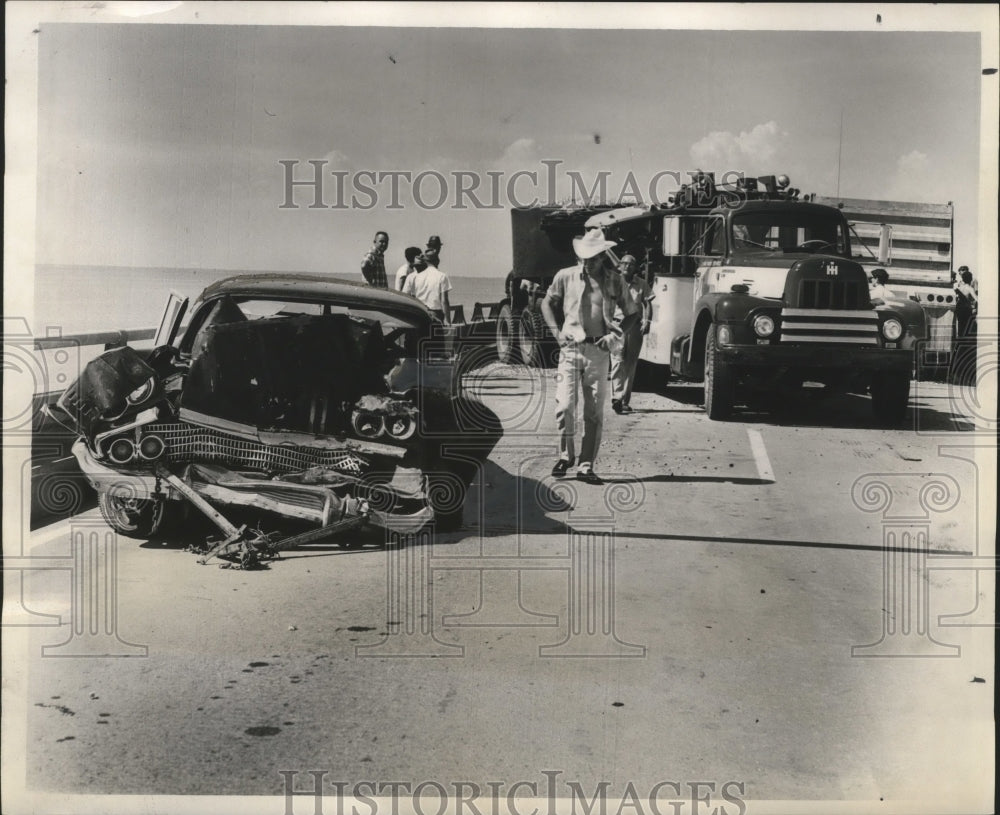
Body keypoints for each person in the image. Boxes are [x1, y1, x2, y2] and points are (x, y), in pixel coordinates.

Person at [541, 229, 638, 484]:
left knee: (593, 412)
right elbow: (546, 303)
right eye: (584, 256)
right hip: (570, 350)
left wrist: (615, 337)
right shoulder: (565, 276)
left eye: (593, 257)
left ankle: (586, 465)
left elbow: (632, 313)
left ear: (603, 256)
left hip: (599, 351)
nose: (588, 261)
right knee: (564, 406)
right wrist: (555, 333)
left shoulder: (615, 280)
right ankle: (565, 456)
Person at [610, 254, 653, 414]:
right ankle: (617, 397)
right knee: (617, 361)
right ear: (619, 266)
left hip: (635, 328)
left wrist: (647, 321)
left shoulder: (641, 284)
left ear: (635, 268)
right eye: (624, 264)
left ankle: (624, 401)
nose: (627, 267)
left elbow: (648, 303)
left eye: (631, 264)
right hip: (617, 326)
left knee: (630, 364)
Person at [403, 253, 452, 323]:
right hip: (435, 314)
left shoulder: (414, 276)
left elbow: (406, 296)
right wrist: (448, 321)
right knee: (434, 333)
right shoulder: (442, 276)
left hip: (419, 313)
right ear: (437, 262)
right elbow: (444, 301)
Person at [953, 267, 978, 339]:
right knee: (966, 326)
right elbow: (977, 299)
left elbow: (957, 297)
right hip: (966, 309)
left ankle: (959, 340)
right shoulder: (970, 288)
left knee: (960, 325)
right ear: (970, 279)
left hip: (959, 308)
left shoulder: (959, 287)